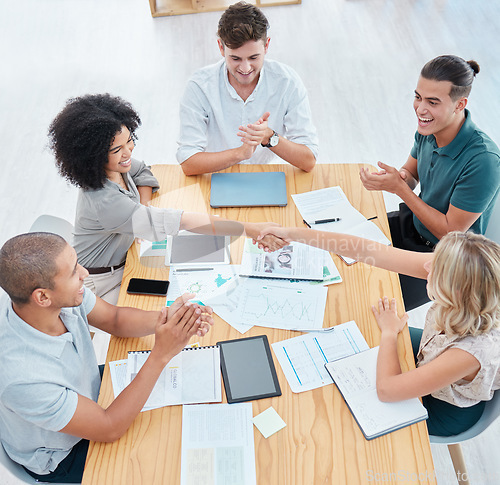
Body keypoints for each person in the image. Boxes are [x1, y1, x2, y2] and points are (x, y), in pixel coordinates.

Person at [0, 232, 214, 482]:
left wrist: (169, 319)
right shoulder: (23, 378)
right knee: (165, 454)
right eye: (73, 272)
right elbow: (110, 427)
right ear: (43, 297)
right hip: (63, 455)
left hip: (87, 392)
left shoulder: (56, 301)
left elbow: (115, 319)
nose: (85, 273)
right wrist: (161, 354)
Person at [257, 226, 500, 436]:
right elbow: (369, 251)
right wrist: (290, 234)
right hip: (432, 353)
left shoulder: (469, 352)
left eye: (436, 267)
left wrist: (389, 333)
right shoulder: (470, 285)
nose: (426, 265)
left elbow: (387, 390)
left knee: (331, 415)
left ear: (456, 291)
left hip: (441, 406)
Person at [49, 93, 283, 304]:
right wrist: (251, 229)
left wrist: (141, 208)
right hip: (100, 281)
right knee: (174, 304)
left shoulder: (117, 168)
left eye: (129, 140)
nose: (128, 152)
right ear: (92, 156)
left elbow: (143, 172)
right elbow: (182, 221)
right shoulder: (105, 201)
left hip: (126, 256)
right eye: (116, 150)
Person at [360, 55, 500, 311]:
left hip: (444, 260)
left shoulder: (484, 160)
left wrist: (400, 189)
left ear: (460, 104)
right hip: (411, 228)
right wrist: (395, 178)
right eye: (418, 97)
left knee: (366, 299)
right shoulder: (429, 129)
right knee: (345, 247)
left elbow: (449, 233)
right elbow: (410, 175)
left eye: (432, 102)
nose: (420, 109)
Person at [176, 1, 319, 175]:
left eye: (253, 57)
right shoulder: (200, 87)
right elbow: (188, 163)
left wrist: (268, 137)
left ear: (266, 46)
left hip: (268, 176)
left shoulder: (287, 82)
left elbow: (309, 160)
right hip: (219, 175)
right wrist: (240, 154)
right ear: (221, 47)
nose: (245, 68)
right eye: (235, 59)